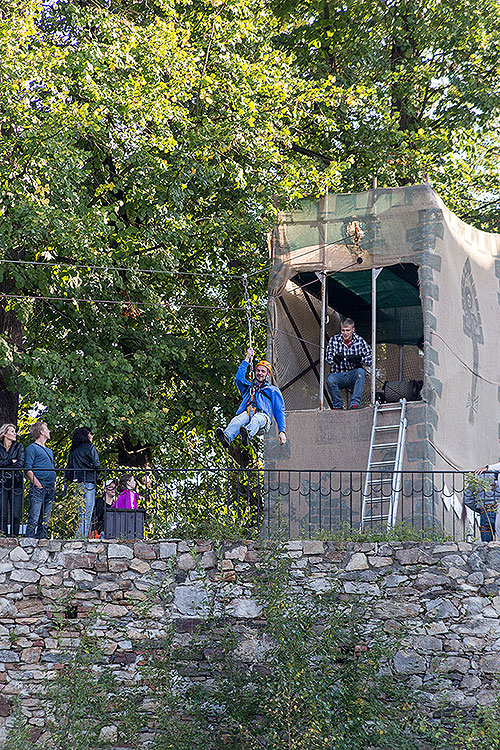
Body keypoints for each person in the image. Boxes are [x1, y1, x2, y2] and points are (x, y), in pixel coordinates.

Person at [215, 348, 286, 448]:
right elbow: (239, 378)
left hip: (263, 417)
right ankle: (227, 437)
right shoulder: (249, 388)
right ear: (255, 372)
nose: (260, 373)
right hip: (249, 412)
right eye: (258, 371)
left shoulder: (272, 390)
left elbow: (279, 410)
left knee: (256, 419)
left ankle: (248, 434)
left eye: (263, 371)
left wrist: (281, 431)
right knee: (237, 420)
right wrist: (247, 358)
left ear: (268, 374)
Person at [325, 318, 372, 410]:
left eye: (348, 330)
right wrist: (335, 359)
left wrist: (359, 359)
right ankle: (338, 405)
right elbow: (328, 358)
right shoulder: (334, 340)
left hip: (352, 375)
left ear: (353, 330)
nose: (345, 333)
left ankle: (354, 404)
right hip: (338, 375)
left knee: (360, 372)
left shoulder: (360, 341)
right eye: (343, 330)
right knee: (330, 379)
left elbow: (370, 359)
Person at [65, 427, 101, 538]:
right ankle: (80, 537)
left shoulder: (73, 451)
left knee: (80, 512)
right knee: (88, 510)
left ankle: (79, 536)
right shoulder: (90, 447)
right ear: (86, 435)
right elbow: (97, 465)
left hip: (77, 483)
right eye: (90, 434)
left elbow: (68, 470)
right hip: (89, 481)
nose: (92, 436)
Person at [24, 421, 56, 539]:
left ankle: (42, 539)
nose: (49, 431)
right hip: (39, 486)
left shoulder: (49, 451)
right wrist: (38, 484)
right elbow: (27, 468)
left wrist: (54, 483)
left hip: (50, 486)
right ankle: (29, 541)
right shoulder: (32, 448)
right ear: (42, 432)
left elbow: (52, 467)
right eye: (47, 429)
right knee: (34, 516)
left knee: (45, 518)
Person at [0, 424, 25, 537]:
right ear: (5, 433)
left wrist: (5, 464)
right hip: (2, 482)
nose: (15, 434)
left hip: (16, 482)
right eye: (12, 431)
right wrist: (11, 461)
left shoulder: (19, 447)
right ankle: (3, 537)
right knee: (2, 514)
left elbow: (20, 464)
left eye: (15, 432)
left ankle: (14, 538)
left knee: (15, 514)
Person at [463, 471, 500, 542]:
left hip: (486, 511)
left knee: (486, 546)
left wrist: (480, 508)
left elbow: (467, 499)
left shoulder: (478, 477)